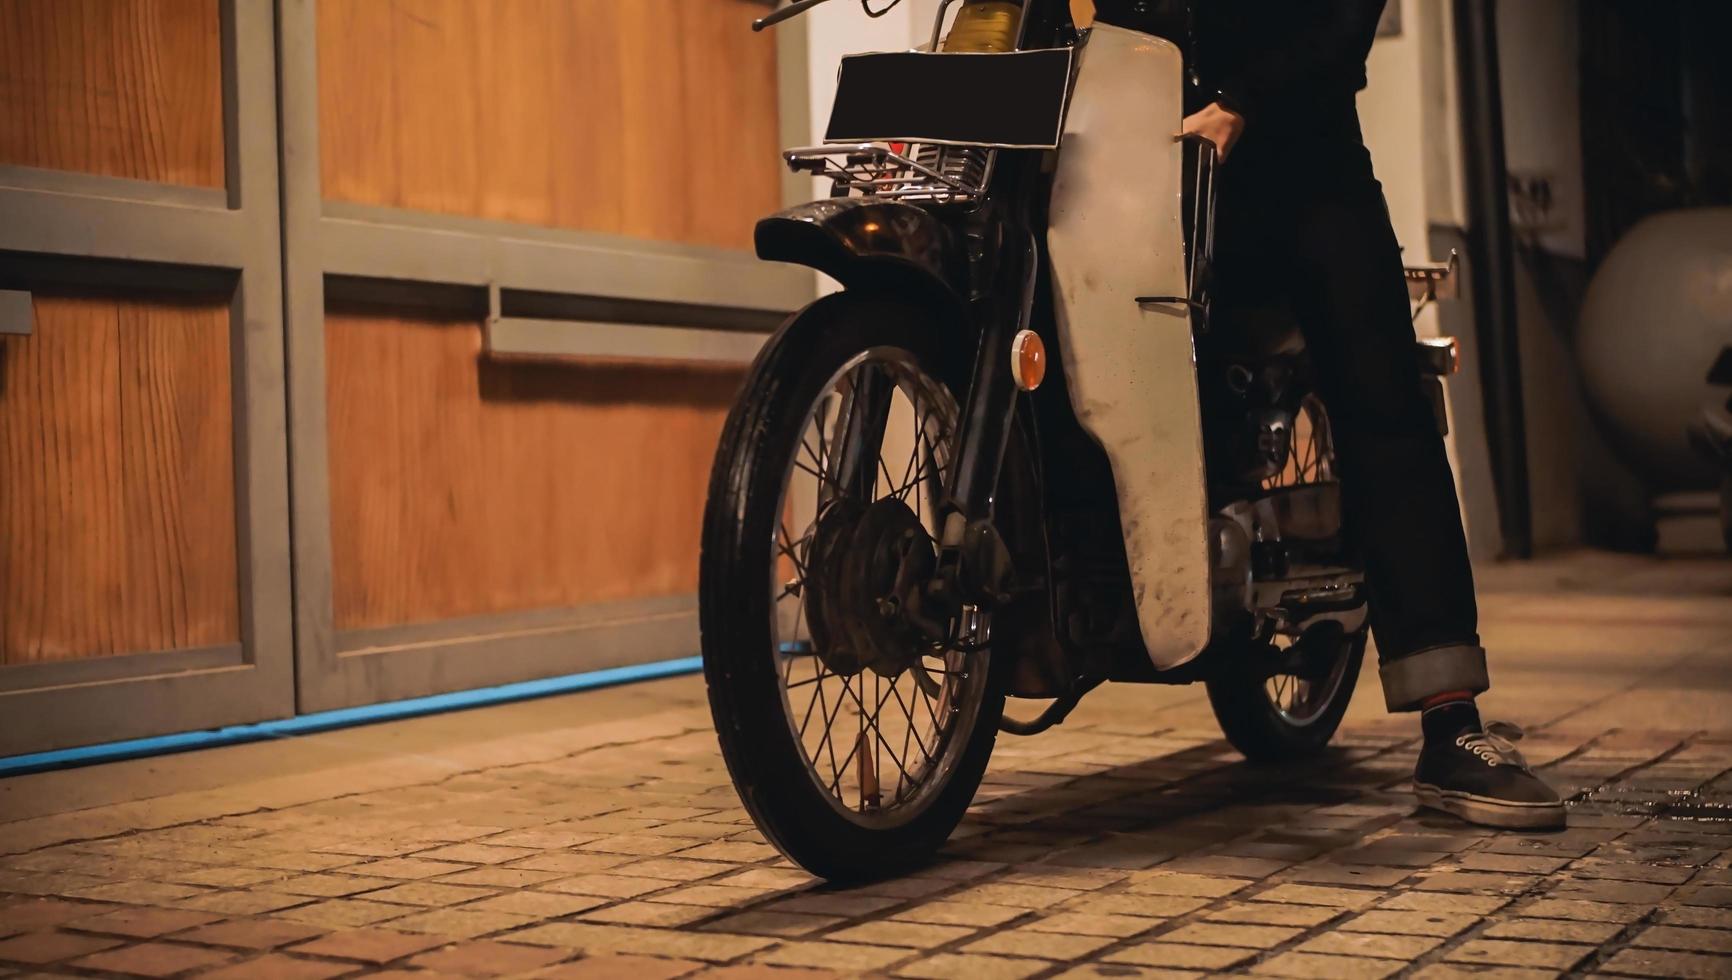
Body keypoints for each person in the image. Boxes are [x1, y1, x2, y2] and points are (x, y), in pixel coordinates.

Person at [1119, 0, 1565, 828]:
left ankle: (1451, 722)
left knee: (1380, 401)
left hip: (1300, 163)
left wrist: (1242, 99)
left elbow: (1343, 19)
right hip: (1143, 172)